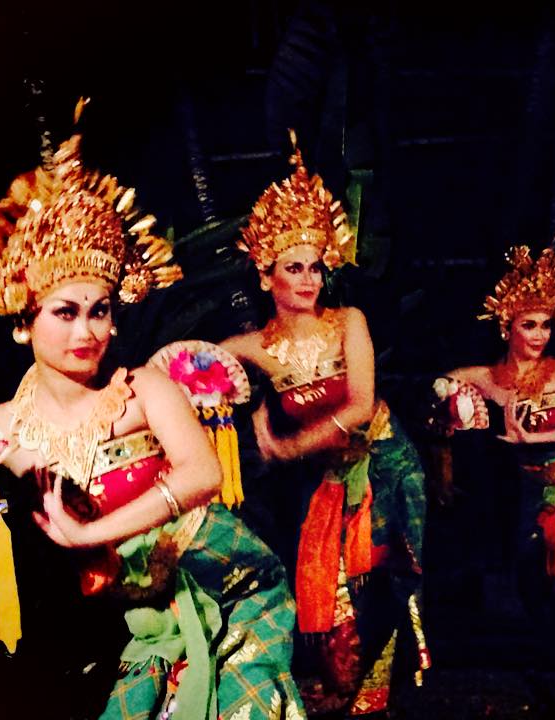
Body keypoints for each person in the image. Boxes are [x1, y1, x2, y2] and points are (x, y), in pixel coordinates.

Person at [0, 126, 305, 720]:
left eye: (99, 311)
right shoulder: (2, 428)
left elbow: (203, 474)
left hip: (218, 582)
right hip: (114, 622)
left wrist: (90, 535)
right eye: (65, 312)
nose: (88, 332)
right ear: (26, 319)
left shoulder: (144, 390)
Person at [222, 137, 428, 716]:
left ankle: (378, 695)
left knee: (382, 578)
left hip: (387, 467)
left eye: (315, 266)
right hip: (330, 481)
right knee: (329, 585)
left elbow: (359, 407)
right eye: (294, 267)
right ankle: (346, 691)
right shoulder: (254, 347)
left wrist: (284, 448)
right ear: (266, 276)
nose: (309, 278)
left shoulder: (348, 322)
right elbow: (187, 363)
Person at [432, 243, 555, 663]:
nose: (540, 334)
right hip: (535, 484)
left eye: (546, 325)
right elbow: (442, 383)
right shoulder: (489, 377)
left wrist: (535, 439)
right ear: (507, 328)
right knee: (530, 563)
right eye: (530, 325)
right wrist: (452, 403)